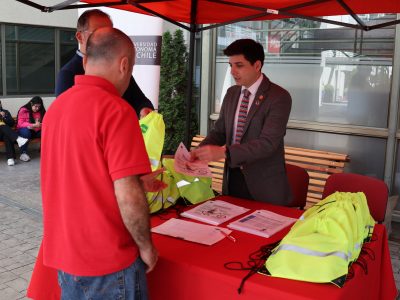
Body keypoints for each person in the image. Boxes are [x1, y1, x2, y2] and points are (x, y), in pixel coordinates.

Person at [41, 27, 163, 299]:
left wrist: (136, 179)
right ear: (124, 65)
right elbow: (127, 194)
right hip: (108, 262)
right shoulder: (116, 110)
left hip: (66, 256)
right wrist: (146, 246)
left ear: (85, 62)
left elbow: (77, 174)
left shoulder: (57, 109)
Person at [190, 39, 293, 205]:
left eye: (239, 65)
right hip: (232, 179)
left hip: (264, 186)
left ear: (257, 65)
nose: (232, 71)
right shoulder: (232, 93)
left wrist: (225, 153)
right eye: (230, 65)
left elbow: (268, 143)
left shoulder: (279, 97)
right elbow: (220, 132)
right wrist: (198, 151)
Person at [55, 9, 154, 119]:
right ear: (79, 37)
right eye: (97, 33)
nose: (106, 39)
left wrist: (144, 109)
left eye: (110, 33)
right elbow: (65, 118)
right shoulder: (68, 74)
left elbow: (140, 100)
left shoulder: (118, 66)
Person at [16, 96, 46, 162]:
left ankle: (44, 151)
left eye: (39, 106)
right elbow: (20, 124)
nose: (37, 108)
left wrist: (41, 124)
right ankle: (23, 153)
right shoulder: (24, 110)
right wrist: (32, 125)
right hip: (24, 130)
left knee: (47, 132)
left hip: (36, 131)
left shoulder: (41, 111)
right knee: (26, 132)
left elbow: (46, 122)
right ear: (31, 103)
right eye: (35, 106)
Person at [0, 100, 28, 166]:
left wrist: (4, 117)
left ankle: (10, 159)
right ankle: (18, 138)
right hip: (6, 131)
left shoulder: (5, 112)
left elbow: (12, 123)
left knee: (7, 136)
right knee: (2, 126)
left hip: (4, 133)